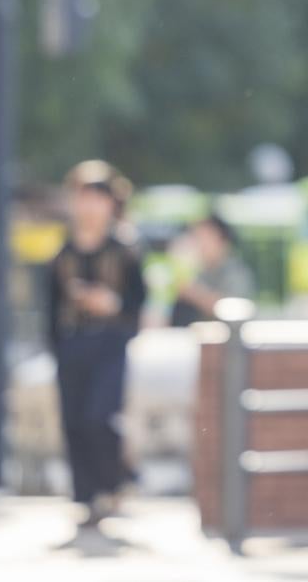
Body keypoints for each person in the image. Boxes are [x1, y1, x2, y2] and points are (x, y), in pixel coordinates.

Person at [45, 160, 147, 526]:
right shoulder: (64, 250)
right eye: (81, 197)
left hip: (109, 342)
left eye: (95, 197)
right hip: (72, 343)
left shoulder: (125, 249)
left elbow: (139, 302)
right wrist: (55, 346)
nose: (87, 206)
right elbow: (51, 304)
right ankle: (88, 497)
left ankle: (117, 482)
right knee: (73, 420)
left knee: (99, 417)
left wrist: (111, 304)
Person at [169, 212, 254, 327]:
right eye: (196, 237)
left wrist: (193, 292)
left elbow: (233, 311)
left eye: (204, 237)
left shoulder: (236, 273)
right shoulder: (198, 273)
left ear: (222, 240)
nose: (199, 244)